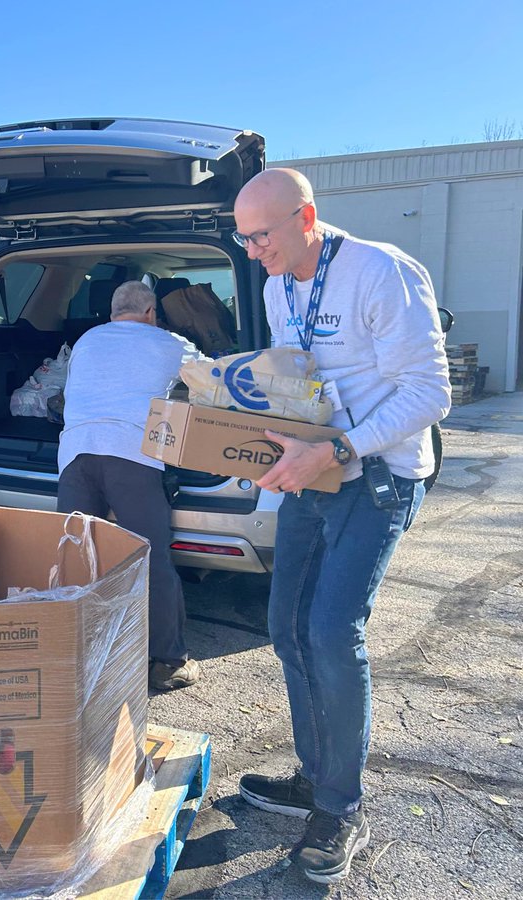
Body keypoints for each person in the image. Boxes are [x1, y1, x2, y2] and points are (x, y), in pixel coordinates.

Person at [232, 168, 450, 884]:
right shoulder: (277, 287)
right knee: (286, 625)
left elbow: (430, 393)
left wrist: (339, 448)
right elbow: (296, 382)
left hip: (378, 476)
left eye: (262, 235)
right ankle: (314, 773)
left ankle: (340, 807)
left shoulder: (381, 272)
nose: (254, 251)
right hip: (316, 472)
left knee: (330, 631)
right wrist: (262, 443)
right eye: (244, 238)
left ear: (306, 217)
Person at [57, 280, 206, 691]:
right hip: (132, 456)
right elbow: (211, 380)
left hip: (75, 453)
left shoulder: (87, 340)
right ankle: (168, 662)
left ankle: (74, 653)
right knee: (150, 557)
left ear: (112, 312)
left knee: (75, 557)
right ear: (151, 312)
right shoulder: (170, 343)